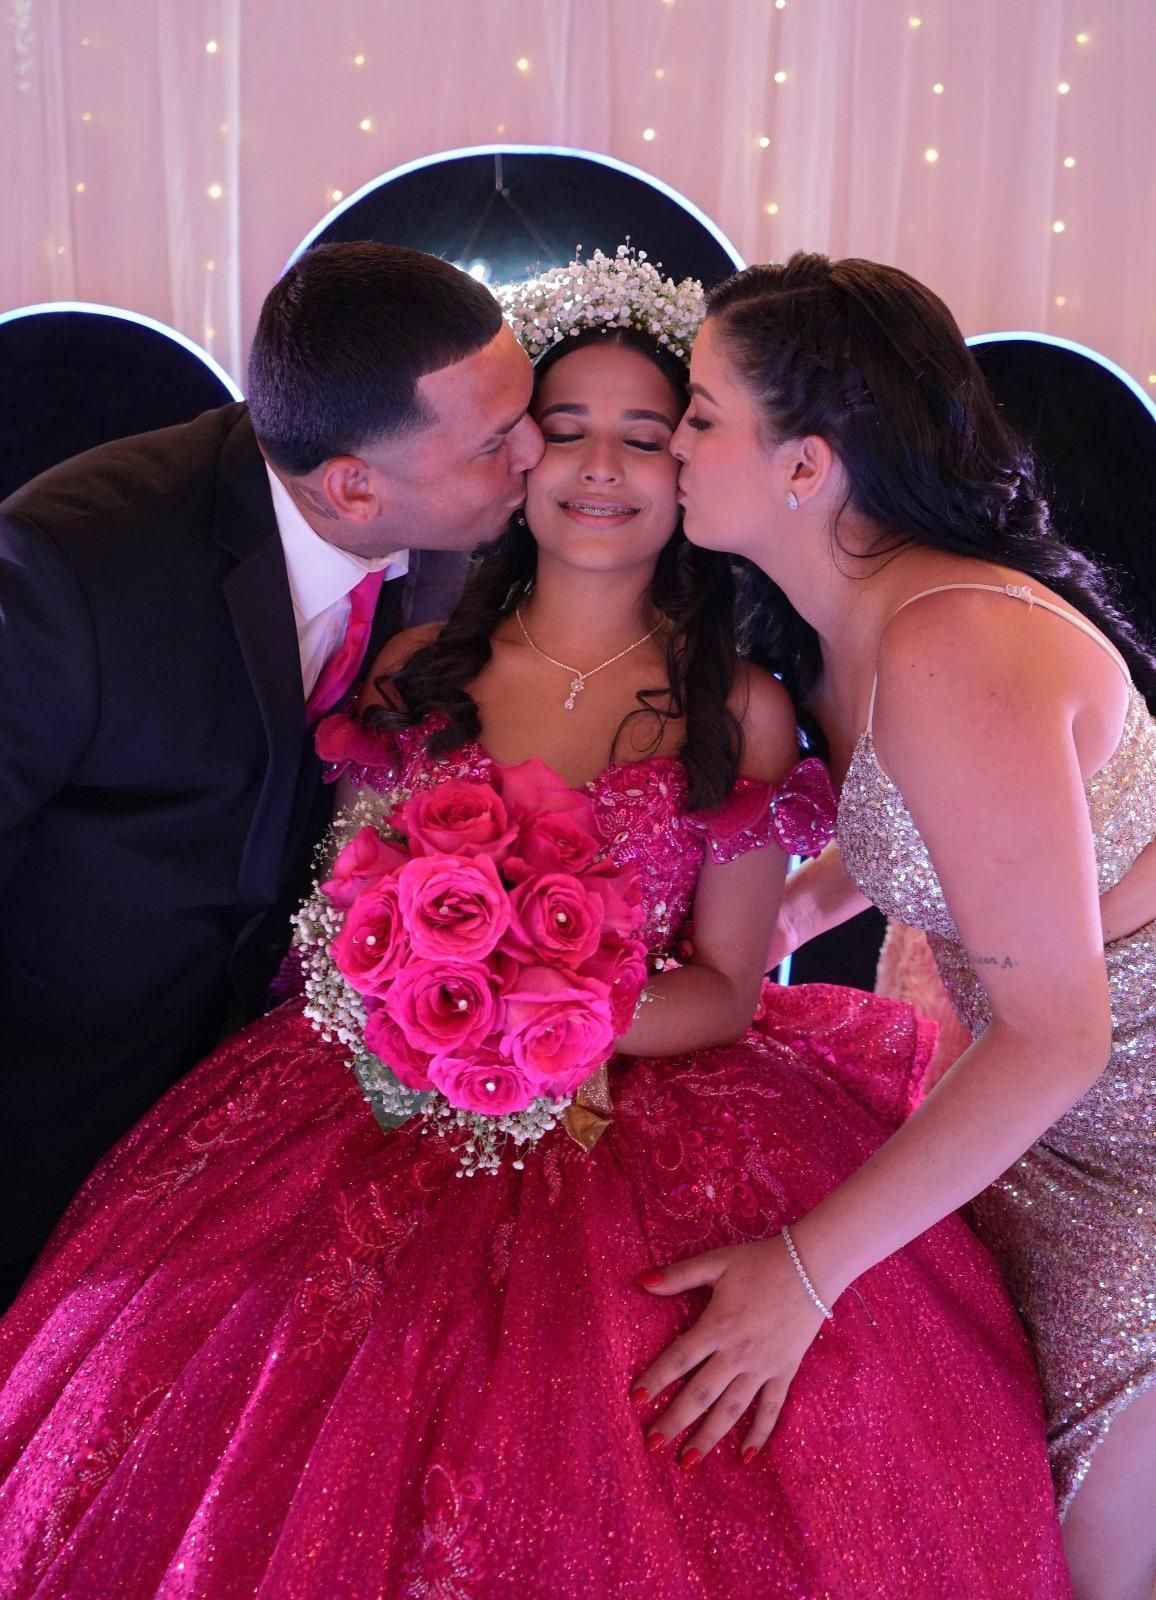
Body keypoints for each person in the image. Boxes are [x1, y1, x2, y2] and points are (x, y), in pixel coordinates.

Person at [0, 252, 1070, 1599]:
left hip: (651, 1122)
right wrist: (420, 999)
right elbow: (328, 903)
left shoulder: (739, 706)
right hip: (366, 1104)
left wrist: (550, 1010)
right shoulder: (407, 664)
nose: (596, 468)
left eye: (649, 432)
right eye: (557, 432)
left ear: (694, 464)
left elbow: (731, 985)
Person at [664, 251, 1156, 1600]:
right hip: (1047, 1125)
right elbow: (936, 849)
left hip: (1132, 1147)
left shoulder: (953, 640)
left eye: (700, 413)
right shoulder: (843, 628)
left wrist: (801, 1274)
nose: (671, 441)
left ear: (808, 464)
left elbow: (1058, 1038)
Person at [0, 241, 542, 1303]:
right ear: (351, 484)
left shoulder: (454, 540)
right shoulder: (76, 567)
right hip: (44, 1109)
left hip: (251, 1127)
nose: (534, 452)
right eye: (493, 441)